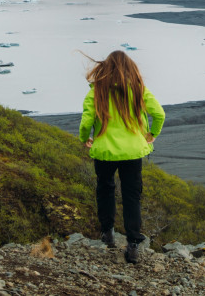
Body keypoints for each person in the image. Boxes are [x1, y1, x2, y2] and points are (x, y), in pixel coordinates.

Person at [79, 50, 165, 264]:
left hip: (105, 151)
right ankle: (133, 244)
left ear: (105, 69)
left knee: (105, 189)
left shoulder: (96, 91)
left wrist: (84, 138)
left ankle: (107, 233)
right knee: (131, 195)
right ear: (130, 68)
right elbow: (160, 114)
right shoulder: (138, 90)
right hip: (133, 152)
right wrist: (152, 134)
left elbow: (86, 121)